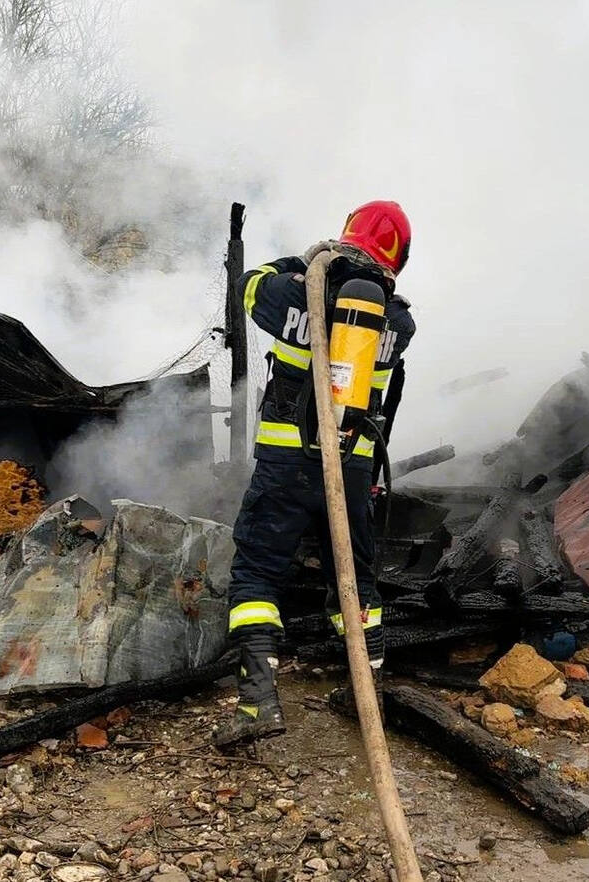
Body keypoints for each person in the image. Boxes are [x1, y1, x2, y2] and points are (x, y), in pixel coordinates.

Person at [213, 201, 415, 749]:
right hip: (352, 470)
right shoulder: (399, 322)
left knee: (257, 575)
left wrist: (303, 262)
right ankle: (367, 690)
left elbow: (248, 288)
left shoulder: (294, 293)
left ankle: (257, 704)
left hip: (287, 466)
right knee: (356, 582)